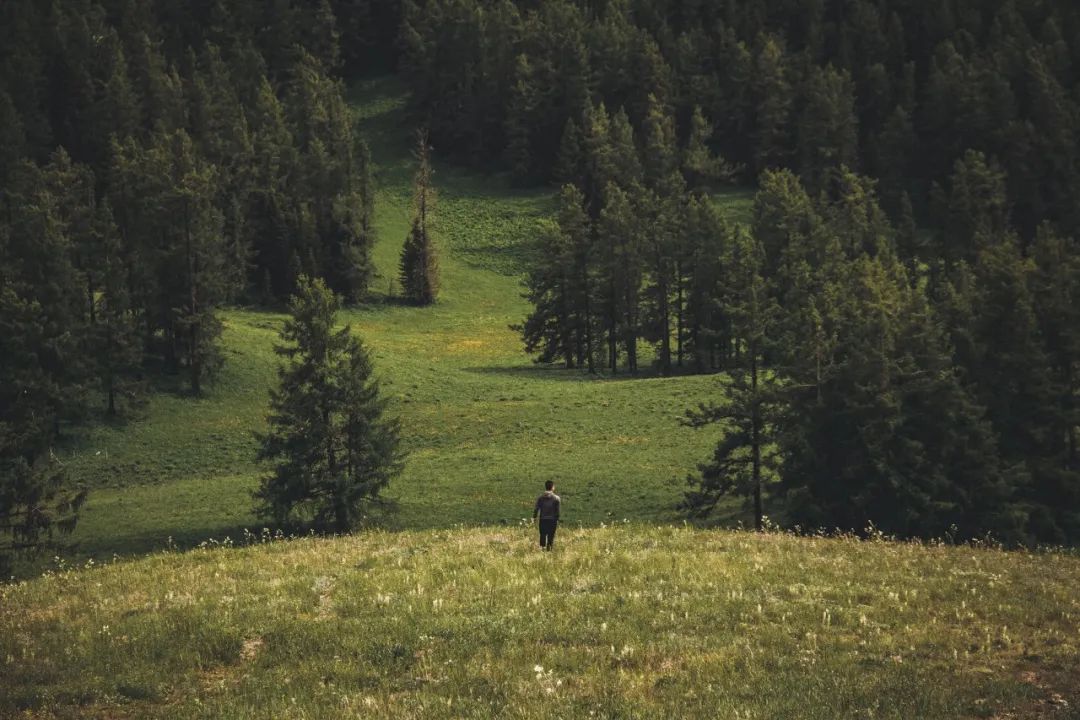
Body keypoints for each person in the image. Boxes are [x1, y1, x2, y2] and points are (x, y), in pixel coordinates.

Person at [533, 480, 561, 551]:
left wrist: (534, 517)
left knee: (542, 535)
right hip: (552, 520)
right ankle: (549, 550)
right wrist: (557, 519)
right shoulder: (556, 498)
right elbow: (557, 511)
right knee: (551, 536)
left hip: (543, 519)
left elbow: (536, 509)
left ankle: (542, 549)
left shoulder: (540, 498)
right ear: (552, 487)